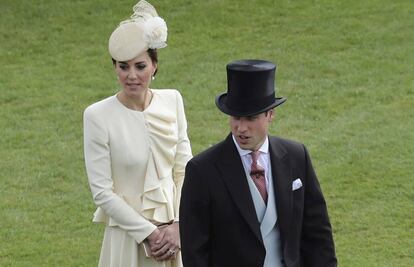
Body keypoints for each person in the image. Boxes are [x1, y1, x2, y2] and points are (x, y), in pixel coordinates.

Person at [179, 59, 337, 267]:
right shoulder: (202, 170)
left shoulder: (297, 156)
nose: (241, 128)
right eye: (236, 117)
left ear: (270, 114)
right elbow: (194, 251)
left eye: (250, 118)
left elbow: (318, 234)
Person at [83, 1, 192, 266]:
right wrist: (150, 234)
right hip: (126, 240)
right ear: (115, 68)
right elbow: (102, 193)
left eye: (140, 66)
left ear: (154, 65)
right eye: (123, 66)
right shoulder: (97, 116)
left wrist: (179, 225)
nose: (131, 75)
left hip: (174, 238)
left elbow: (185, 170)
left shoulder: (173, 100)